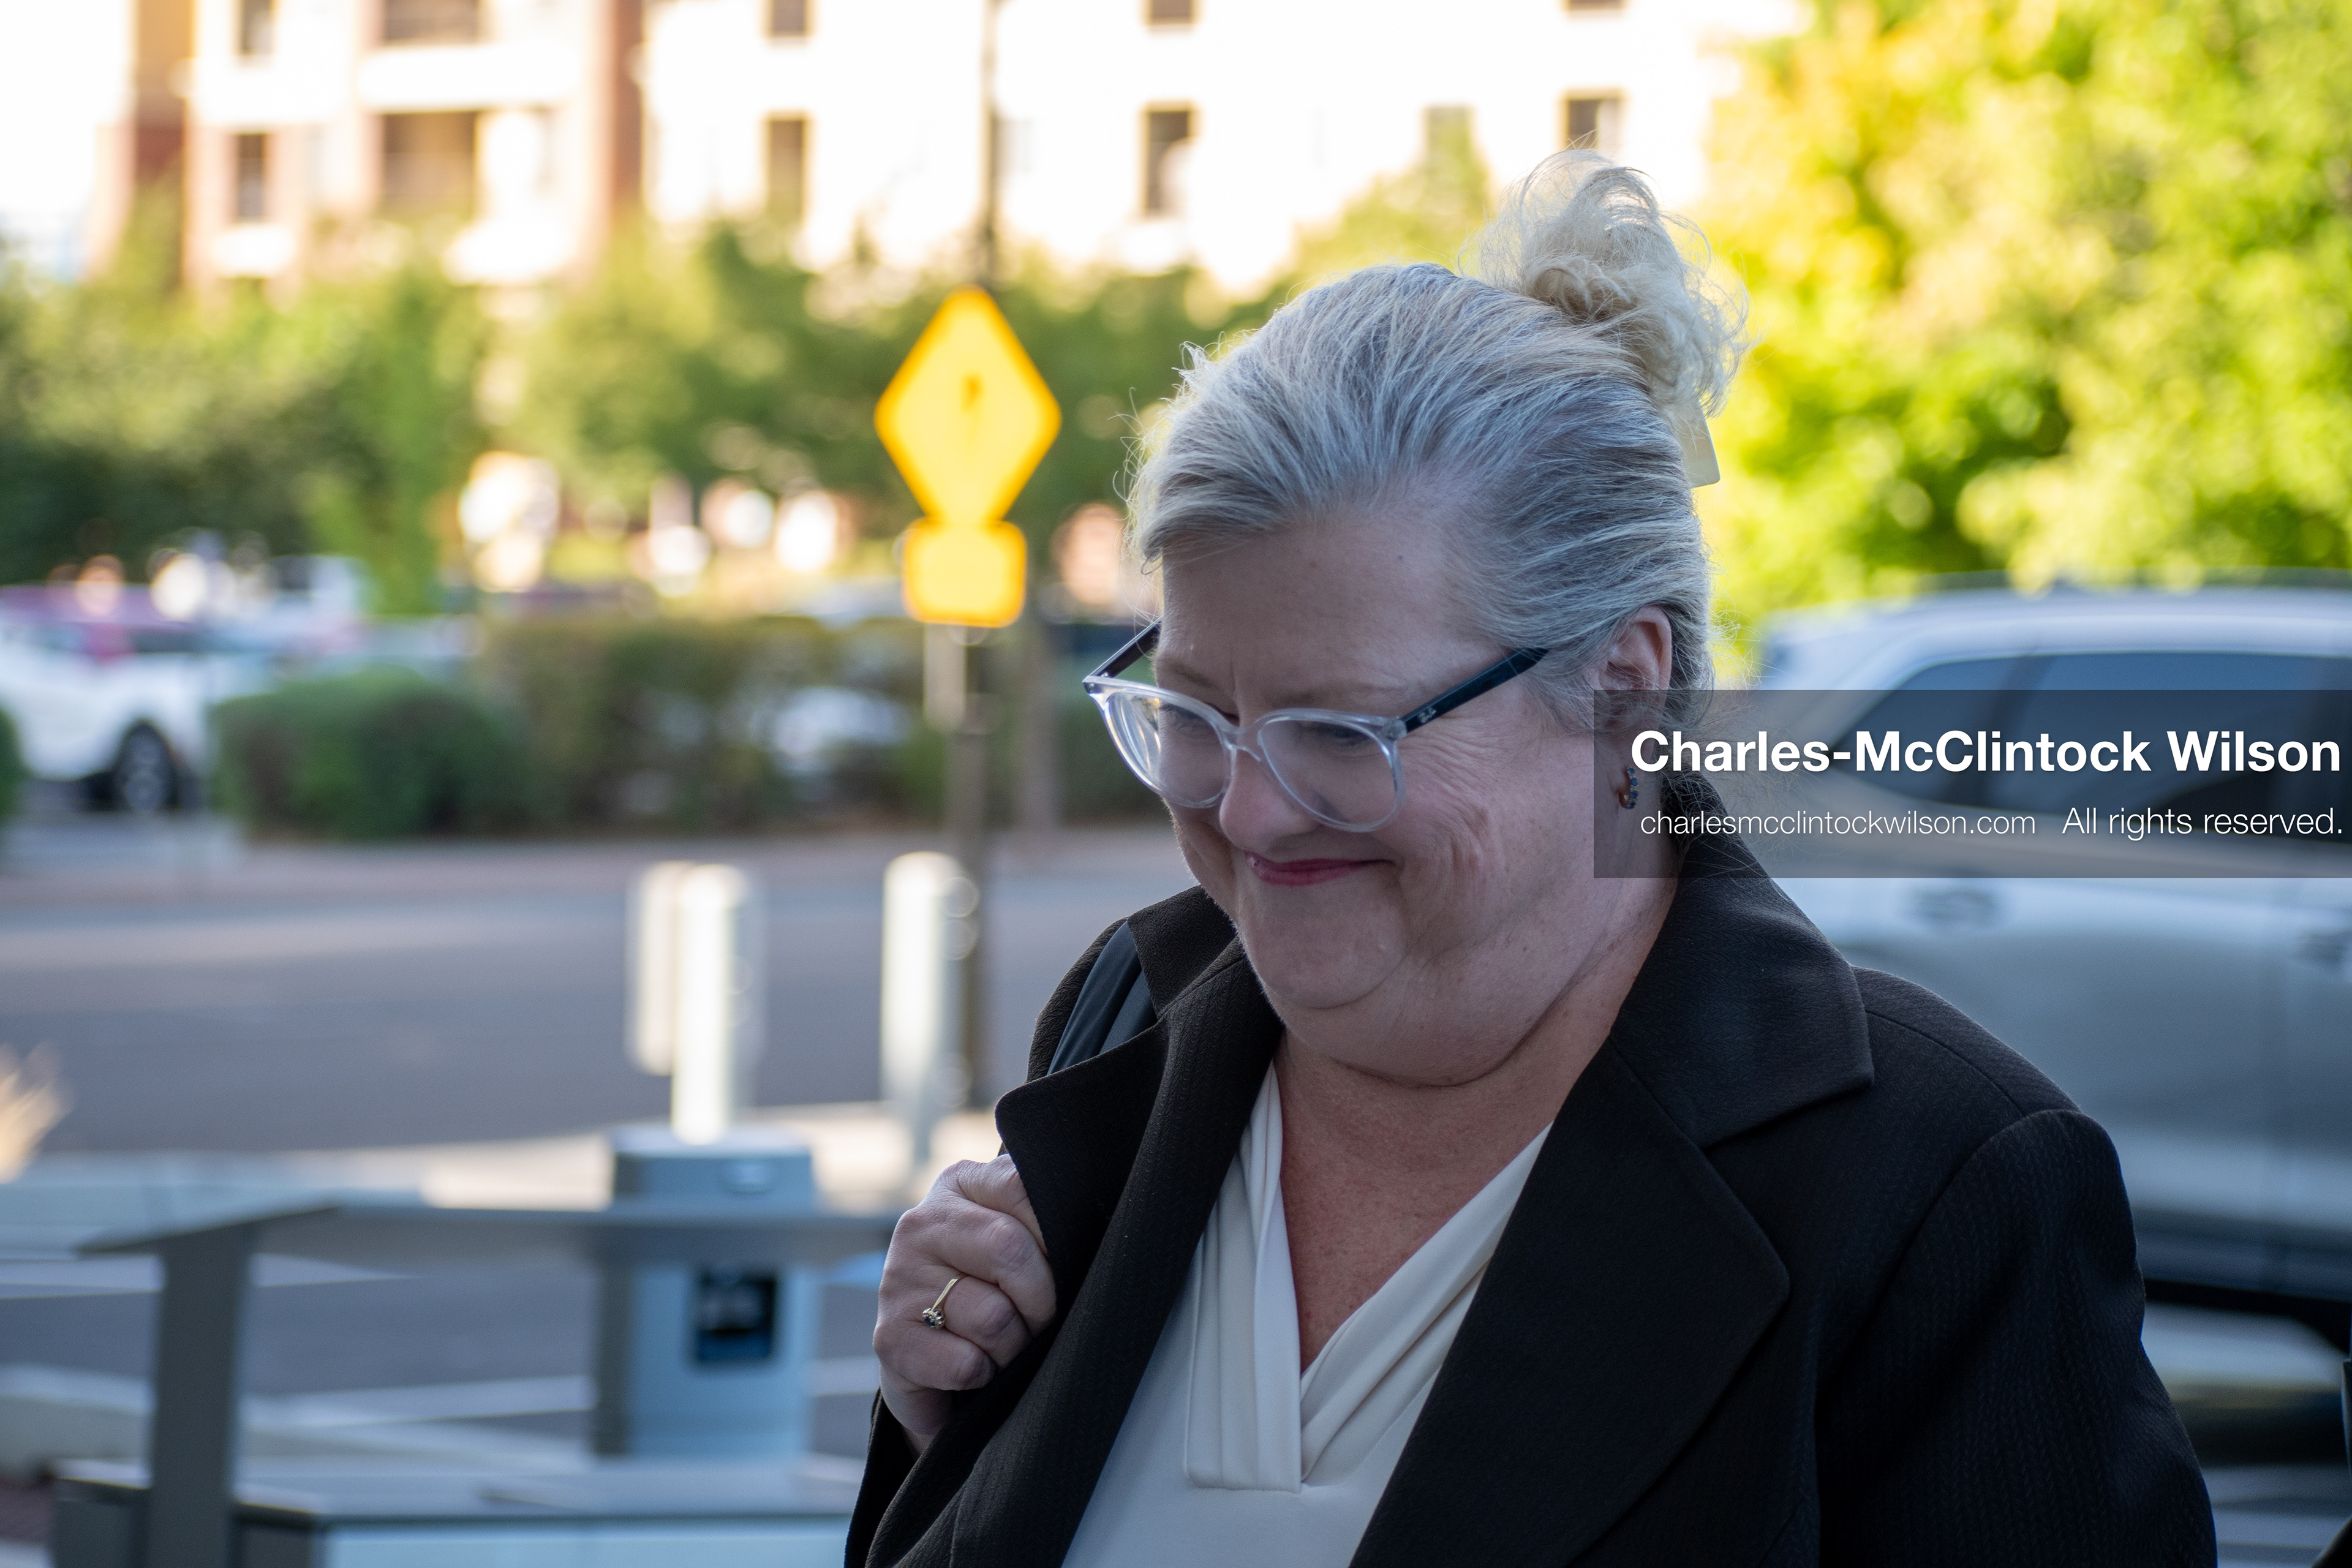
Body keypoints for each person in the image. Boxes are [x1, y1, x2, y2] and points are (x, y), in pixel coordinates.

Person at [850, 152, 2214, 1567]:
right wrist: (940, 1413)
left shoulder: (1936, 1185)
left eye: (1339, 730)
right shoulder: (1132, 1009)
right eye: (1194, 716)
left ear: (1623, 682)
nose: (1247, 815)